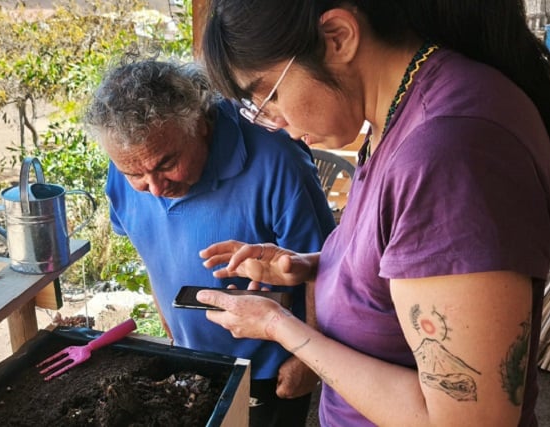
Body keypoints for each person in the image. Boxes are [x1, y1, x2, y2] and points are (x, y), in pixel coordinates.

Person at [195, 1, 550, 426]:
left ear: (337, 37)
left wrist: (277, 325)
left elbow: (470, 421)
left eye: (267, 95)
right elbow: (410, 257)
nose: (275, 123)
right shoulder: (402, 111)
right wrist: (314, 267)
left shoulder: (449, 153)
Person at [83, 56, 337, 426]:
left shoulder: (277, 160)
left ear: (201, 123)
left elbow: (328, 267)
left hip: (269, 368)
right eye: (135, 174)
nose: (154, 188)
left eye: (167, 163)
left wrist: (309, 356)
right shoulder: (132, 158)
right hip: (190, 361)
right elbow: (152, 249)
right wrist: (169, 326)